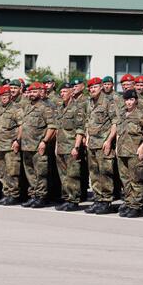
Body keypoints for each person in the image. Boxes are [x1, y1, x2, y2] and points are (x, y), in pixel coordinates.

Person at [115, 90, 143, 218]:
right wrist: (116, 146)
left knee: (136, 180)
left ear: (136, 100)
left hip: (134, 152)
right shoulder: (122, 114)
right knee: (125, 180)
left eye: (131, 100)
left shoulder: (141, 115)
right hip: (122, 152)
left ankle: (136, 206)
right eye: (126, 100)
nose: (128, 102)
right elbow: (119, 133)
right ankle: (129, 203)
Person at [20, 82, 57, 208]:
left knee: (40, 173)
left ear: (40, 93)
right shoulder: (27, 107)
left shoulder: (45, 107)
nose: (32, 94)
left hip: (38, 146)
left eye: (34, 92)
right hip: (26, 146)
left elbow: (52, 126)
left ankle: (41, 197)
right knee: (30, 172)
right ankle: (33, 195)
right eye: (30, 92)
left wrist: (45, 141)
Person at [84, 77, 117, 215]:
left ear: (101, 87)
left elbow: (115, 123)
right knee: (94, 173)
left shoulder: (109, 102)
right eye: (90, 87)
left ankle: (106, 201)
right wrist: (87, 136)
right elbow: (87, 121)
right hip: (92, 144)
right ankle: (98, 199)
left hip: (104, 144)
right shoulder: (89, 102)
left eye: (95, 87)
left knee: (105, 173)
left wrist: (109, 140)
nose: (92, 89)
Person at [54, 83, 85, 211]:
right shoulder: (60, 108)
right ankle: (66, 198)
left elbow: (80, 130)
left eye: (65, 91)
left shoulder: (77, 108)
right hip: (61, 147)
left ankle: (74, 200)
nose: (62, 94)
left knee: (72, 175)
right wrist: (56, 146)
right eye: (61, 92)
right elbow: (58, 129)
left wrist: (76, 147)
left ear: (72, 93)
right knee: (63, 176)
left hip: (71, 147)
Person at [0, 86, 23, 206]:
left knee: (12, 171)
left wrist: (17, 140)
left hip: (10, 145)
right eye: (2, 97)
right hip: (0, 145)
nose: (4, 99)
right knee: (2, 172)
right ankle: (6, 193)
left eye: (6, 96)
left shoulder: (16, 109)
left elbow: (21, 126)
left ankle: (13, 195)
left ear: (10, 96)